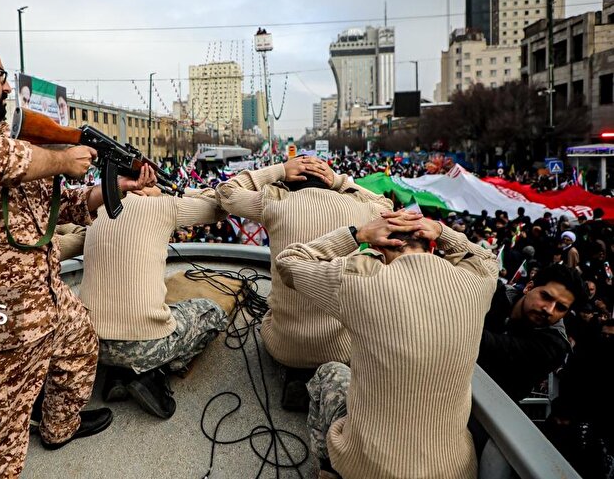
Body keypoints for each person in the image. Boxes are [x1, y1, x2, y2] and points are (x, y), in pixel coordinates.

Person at [0, 30, 154, 479]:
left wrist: (113, 188)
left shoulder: (10, 143)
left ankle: (59, 427)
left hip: (47, 302)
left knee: (80, 349)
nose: (6, 85)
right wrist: (62, 157)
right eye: (0, 74)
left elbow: (57, 205)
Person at [276, 212, 498, 479]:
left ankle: (329, 470)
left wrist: (356, 234)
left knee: (331, 371)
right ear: (431, 247)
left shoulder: (357, 278)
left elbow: (288, 261)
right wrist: (442, 232)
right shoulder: (477, 282)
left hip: (369, 467)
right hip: (454, 470)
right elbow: (488, 258)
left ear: (378, 249)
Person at [216, 155, 393, 410]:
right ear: (326, 181)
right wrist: (339, 181)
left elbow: (225, 191)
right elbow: (386, 205)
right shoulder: (358, 207)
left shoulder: (274, 202)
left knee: (268, 315)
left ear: (289, 182)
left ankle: (297, 374)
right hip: (341, 349)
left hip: (283, 346)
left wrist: (279, 169)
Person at [80, 187, 228, 419]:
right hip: (143, 346)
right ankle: (151, 374)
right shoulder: (163, 205)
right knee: (213, 313)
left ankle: (117, 374)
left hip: (91, 344)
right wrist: (183, 192)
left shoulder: (98, 208)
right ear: (145, 181)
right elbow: (220, 208)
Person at [477, 264, 584, 402]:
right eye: (545, 296)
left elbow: (481, 342)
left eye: (560, 307)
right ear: (528, 287)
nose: (549, 310)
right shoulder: (494, 293)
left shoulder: (553, 347)